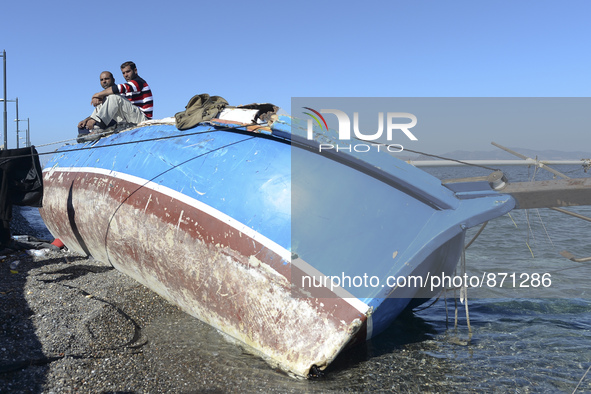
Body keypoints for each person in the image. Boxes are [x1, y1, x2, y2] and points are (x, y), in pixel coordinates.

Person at [81, 61, 153, 134]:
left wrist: (97, 95)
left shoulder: (139, 82)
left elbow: (117, 89)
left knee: (113, 97)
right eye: (123, 73)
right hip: (130, 118)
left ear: (135, 71)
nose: (126, 75)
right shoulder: (129, 88)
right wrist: (89, 118)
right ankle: (90, 128)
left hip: (143, 119)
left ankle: (99, 127)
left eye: (128, 72)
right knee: (107, 98)